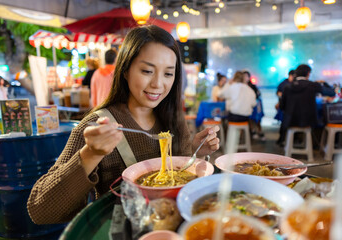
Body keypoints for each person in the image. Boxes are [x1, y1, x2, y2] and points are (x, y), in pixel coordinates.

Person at [27, 25, 220, 225]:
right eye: (147, 71)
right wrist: (91, 153)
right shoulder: (97, 126)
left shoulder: (172, 120)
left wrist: (194, 150)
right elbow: (40, 211)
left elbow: (179, 179)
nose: (158, 84)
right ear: (126, 70)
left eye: (168, 74)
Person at [280, 64, 323, 134]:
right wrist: (324, 83)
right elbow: (331, 92)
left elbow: (282, 106)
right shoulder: (313, 85)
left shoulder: (287, 87)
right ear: (308, 73)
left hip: (290, 121)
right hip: (308, 121)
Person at [243, 71, 265, 140]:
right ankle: (252, 131)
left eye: (246, 76)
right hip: (246, 106)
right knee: (249, 117)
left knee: (257, 117)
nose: (245, 78)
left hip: (254, 105)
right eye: (243, 76)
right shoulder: (241, 86)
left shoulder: (252, 86)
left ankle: (259, 130)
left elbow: (258, 95)